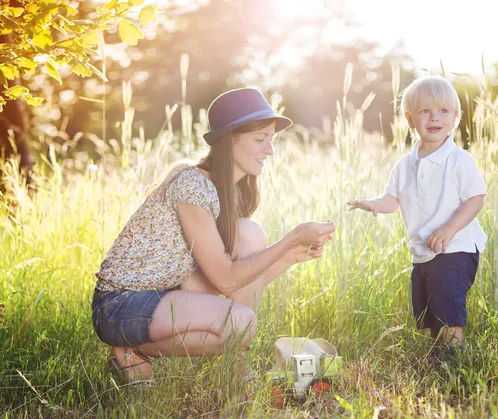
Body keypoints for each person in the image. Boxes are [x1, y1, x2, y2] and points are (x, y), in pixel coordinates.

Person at [91, 87, 336, 385]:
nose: (269, 150)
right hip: (121, 304)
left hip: (165, 294)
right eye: (260, 140)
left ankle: (234, 365)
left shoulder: (229, 191)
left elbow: (239, 287)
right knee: (242, 324)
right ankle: (132, 351)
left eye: (271, 140)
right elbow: (226, 281)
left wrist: (290, 256)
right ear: (228, 141)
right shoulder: (193, 184)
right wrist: (290, 239)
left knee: (249, 235)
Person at [348, 75, 486, 355]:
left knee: (447, 309)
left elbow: (475, 199)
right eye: (425, 111)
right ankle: (439, 357)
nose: (434, 118)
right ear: (411, 120)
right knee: (432, 310)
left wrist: (450, 228)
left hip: (454, 248)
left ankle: (453, 362)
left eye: (443, 111)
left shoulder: (459, 160)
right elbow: (393, 199)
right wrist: (375, 203)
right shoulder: (405, 164)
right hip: (423, 252)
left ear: (455, 117)